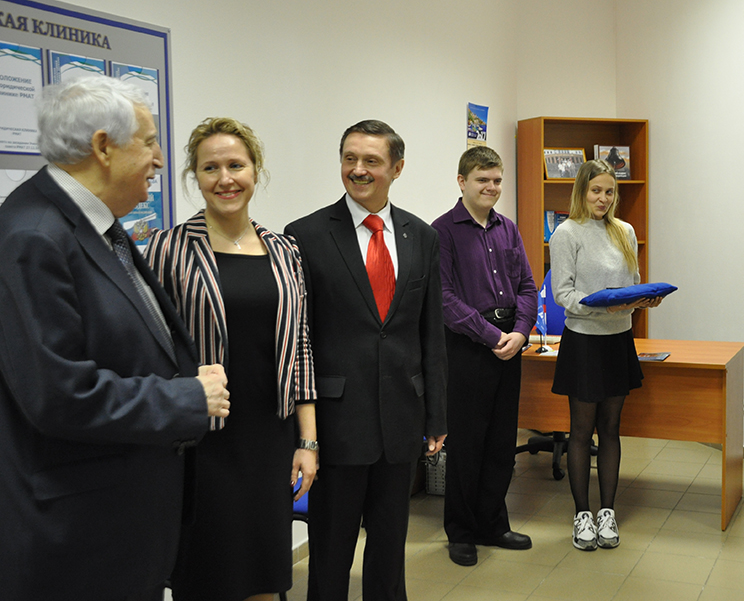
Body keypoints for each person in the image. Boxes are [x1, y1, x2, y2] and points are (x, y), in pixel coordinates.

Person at [0, 76, 229, 601]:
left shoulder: (94, 222)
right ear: (103, 148)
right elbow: (58, 395)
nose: (159, 160)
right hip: (77, 536)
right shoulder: (34, 236)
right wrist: (186, 397)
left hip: (120, 519)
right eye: (149, 142)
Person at [144, 117, 317, 601]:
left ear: (255, 170)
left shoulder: (285, 251)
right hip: (202, 443)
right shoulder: (168, 249)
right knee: (206, 578)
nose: (225, 179)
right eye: (210, 168)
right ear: (194, 177)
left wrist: (308, 440)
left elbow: (301, 345)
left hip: (270, 439)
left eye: (236, 165)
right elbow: (150, 345)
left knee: (265, 577)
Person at [285, 120, 447, 601]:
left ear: (397, 168)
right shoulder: (306, 235)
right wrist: (304, 433)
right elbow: (298, 339)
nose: (358, 169)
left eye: (371, 161)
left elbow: (430, 332)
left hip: (401, 420)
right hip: (337, 425)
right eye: (349, 159)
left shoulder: (422, 237)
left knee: (390, 553)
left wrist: (437, 415)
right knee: (331, 556)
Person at [431, 146, 538, 567]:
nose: (491, 187)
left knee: (500, 442)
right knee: (467, 445)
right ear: (462, 182)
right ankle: (461, 532)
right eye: (482, 180)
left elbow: (527, 286)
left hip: (509, 345)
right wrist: (492, 335)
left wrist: (520, 332)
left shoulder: (507, 229)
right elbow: (444, 298)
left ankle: (493, 524)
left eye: (496, 180)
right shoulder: (442, 232)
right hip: (467, 348)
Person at [549, 159, 662, 551]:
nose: (603, 198)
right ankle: (582, 514)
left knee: (611, 429)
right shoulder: (566, 233)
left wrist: (644, 300)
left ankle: (607, 512)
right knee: (582, 431)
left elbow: (631, 285)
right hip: (584, 342)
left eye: (609, 191)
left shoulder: (624, 231)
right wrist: (603, 307)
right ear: (582, 191)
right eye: (596, 190)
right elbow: (562, 294)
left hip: (618, 340)